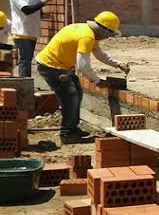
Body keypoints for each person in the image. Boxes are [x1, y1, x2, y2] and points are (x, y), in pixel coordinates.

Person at [35, 11, 130, 144]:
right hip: (51, 66)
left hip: (61, 66)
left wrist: (118, 64)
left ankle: (73, 128)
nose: (107, 38)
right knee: (70, 96)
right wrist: (97, 81)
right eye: (108, 35)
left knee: (77, 93)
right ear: (103, 31)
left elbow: (99, 54)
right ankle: (67, 133)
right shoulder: (87, 36)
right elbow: (83, 65)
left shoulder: (89, 32)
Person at [9, 0, 53, 77]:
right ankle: (24, 84)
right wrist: (44, 2)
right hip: (21, 32)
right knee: (25, 60)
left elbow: (36, 9)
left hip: (31, 32)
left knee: (28, 59)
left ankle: (26, 82)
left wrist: (42, 14)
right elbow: (27, 10)